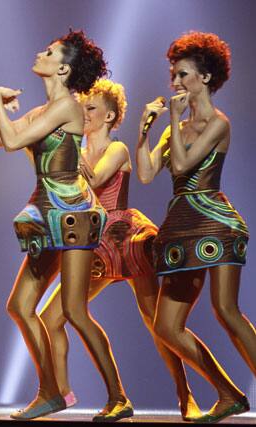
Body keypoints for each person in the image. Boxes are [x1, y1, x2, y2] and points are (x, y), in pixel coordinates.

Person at [0, 30, 133, 422]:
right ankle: (51, 392)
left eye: (48, 52)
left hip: (74, 214)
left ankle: (118, 397)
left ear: (63, 68)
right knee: (20, 305)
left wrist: (0, 101)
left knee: (74, 309)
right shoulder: (40, 112)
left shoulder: (68, 106)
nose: (40, 52)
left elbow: (14, 141)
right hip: (45, 213)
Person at [39, 79, 201, 420]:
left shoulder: (117, 149)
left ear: (110, 115)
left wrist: (65, 156)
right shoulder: (78, 150)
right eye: (81, 108)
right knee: (51, 316)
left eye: (91, 108)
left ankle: (185, 395)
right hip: (91, 243)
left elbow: (94, 181)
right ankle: (75, 392)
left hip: (123, 239)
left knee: (156, 323)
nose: (83, 114)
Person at [136, 31, 253, 423]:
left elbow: (185, 167)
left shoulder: (218, 122)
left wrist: (171, 117)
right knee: (166, 327)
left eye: (182, 74)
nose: (175, 83)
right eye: (173, 74)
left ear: (204, 78)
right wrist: (145, 128)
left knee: (226, 310)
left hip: (215, 223)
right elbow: (149, 173)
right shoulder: (173, 129)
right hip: (183, 226)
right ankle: (228, 394)